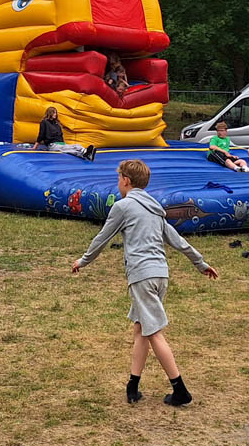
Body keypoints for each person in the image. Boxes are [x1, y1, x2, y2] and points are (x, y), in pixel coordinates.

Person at [72, 159, 218, 406]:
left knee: (154, 333)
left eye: (118, 178)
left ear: (126, 181)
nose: (117, 182)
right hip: (160, 275)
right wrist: (200, 263)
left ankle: (180, 390)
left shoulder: (124, 206)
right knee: (141, 329)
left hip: (142, 275)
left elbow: (102, 238)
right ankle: (133, 386)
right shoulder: (154, 207)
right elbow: (177, 240)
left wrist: (83, 261)